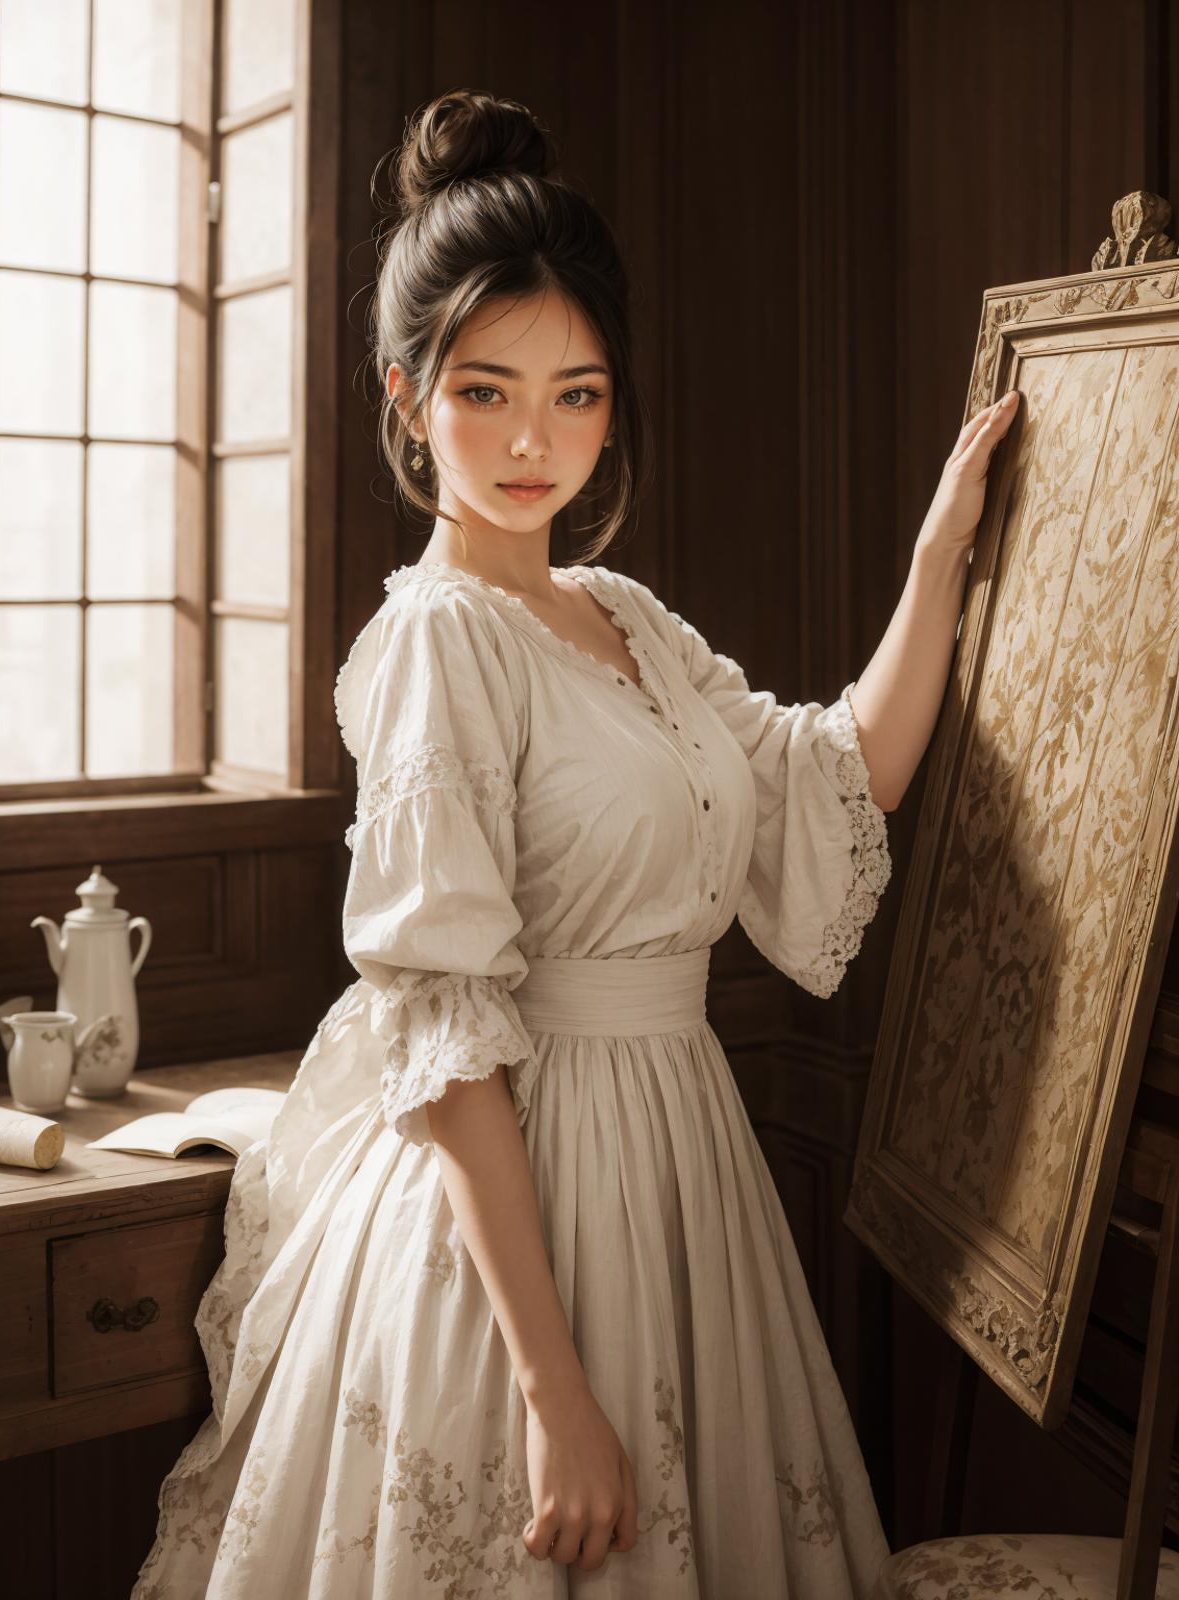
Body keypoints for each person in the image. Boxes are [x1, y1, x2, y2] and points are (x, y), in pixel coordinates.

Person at [131, 88, 1018, 1599]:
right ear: (407, 396)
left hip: (683, 1163)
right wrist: (553, 1396)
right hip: (518, 1204)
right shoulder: (438, 644)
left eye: (577, 392)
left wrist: (943, 552)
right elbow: (451, 1035)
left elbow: (836, 771)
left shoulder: (623, 618)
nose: (536, 439)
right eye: (487, 392)